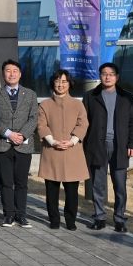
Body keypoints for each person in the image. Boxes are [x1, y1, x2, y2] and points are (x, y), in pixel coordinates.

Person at [83, 62, 133, 232]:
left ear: (117, 77)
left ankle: (119, 219)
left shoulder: (127, 97)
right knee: (98, 184)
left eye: (111, 74)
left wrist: (132, 144)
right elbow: (84, 122)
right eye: (104, 73)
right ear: (100, 76)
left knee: (119, 185)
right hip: (97, 145)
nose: (107, 77)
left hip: (120, 146)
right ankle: (99, 217)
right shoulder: (90, 96)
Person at [37, 70, 89, 230]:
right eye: (58, 81)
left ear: (69, 84)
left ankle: (70, 220)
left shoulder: (78, 104)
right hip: (51, 152)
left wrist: (72, 141)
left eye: (64, 81)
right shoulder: (45, 104)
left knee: (72, 191)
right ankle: (54, 219)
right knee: (51, 190)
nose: (61, 84)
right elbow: (41, 125)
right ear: (53, 83)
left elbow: (83, 124)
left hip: (72, 153)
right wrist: (52, 141)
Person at [0, 59, 38, 228]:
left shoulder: (30, 94)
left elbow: (34, 118)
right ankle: (8, 215)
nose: (11, 74)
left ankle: (21, 215)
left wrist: (22, 135)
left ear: (20, 74)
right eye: (8, 71)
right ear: (3, 74)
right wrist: (9, 134)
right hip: (2, 144)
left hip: (23, 145)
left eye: (14, 71)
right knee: (6, 182)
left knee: (21, 183)